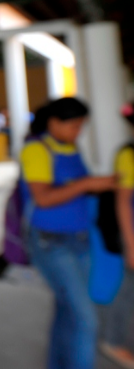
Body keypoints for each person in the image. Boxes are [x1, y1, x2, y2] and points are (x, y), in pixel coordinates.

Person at [22, 98, 115, 369]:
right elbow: (43, 198)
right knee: (87, 320)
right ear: (53, 123)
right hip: (51, 244)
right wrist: (86, 183)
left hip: (80, 240)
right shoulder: (36, 150)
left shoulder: (70, 146)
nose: (78, 131)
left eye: (81, 126)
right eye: (74, 125)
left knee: (67, 311)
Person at [100, 102, 134, 367]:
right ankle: (113, 340)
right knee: (128, 289)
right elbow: (122, 202)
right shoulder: (128, 155)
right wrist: (131, 246)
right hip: (133, 232)